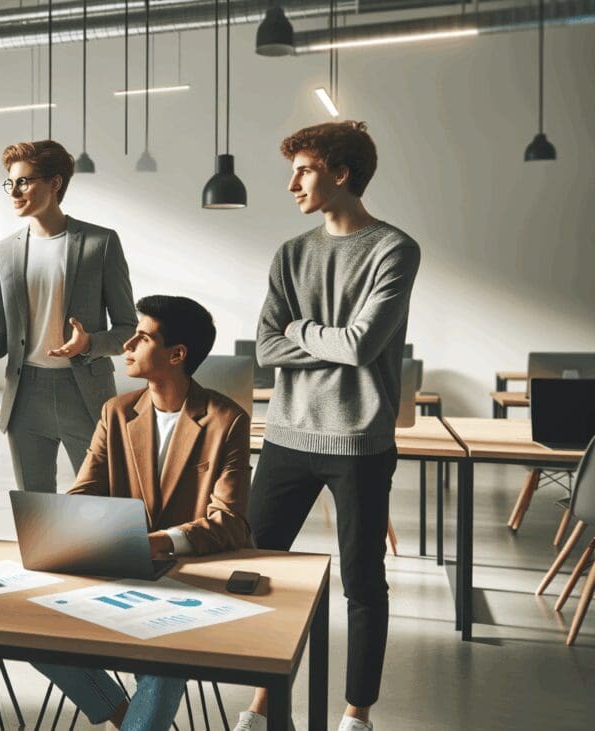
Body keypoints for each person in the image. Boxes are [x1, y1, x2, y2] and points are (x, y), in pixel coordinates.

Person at [0, 295, 254, 729]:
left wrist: (156, 542)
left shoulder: (227, 420)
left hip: (191, 577)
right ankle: (127, 716)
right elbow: (85, 490)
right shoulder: (117, 412)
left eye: (141, 337)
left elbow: (229, 523)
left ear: (177, 354)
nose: (126, 345)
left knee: (165, 662)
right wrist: (60, 529)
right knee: (30, 630)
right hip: (116, 568)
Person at [237, 122, 420, 731]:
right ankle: (263, 702)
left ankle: (355, 714)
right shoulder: (291, 254)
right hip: (287, 436)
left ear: (341, 174)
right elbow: (265, 348)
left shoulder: (394, 249)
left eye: (304, 170)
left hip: (360, 442)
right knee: (254, 568)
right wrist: (320, 339)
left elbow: (364, 345)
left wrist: (299, 330)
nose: (292, 184)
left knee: (363, 583)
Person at [0, 139, 136, 493]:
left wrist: (90, 343)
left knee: (103, 502)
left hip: (85, 392)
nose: (14, 191)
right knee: (36, 508)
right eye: (10, 183)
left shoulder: (101, 243)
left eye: (24, 181)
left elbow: (128, 328)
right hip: (25, 396)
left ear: (55, 183)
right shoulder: (3, 252)